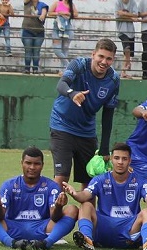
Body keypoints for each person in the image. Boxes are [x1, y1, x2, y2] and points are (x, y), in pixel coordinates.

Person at [62, 143, 147, 250]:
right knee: (86, 205)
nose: (120, 162)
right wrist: (74, 194)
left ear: (129, 161)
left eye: (124, 159)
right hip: (104, 229)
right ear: (111, 160)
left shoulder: (140, 180)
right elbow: (85, 195)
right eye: (116, 158)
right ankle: (87, 240)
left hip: (129, 231)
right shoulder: (100, 179)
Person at [0, 146, 75, 250]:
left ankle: (46, 243)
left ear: (42, 165)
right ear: (21, 163)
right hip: (12, 228)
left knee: (73, 209)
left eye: (36, 164)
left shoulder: (51, 186)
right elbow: (0, 217)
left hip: (42, 229)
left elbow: (54, 218)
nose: (32, 167)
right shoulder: (9, 185)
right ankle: (11, 242)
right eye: (28, 163)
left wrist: (58, 206)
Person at [50, 38, 120, 188]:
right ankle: (53, 211)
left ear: (113, 60)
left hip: (87, 132)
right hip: (62, 125)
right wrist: (72, 93)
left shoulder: (113, 79)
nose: (104, 62)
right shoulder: (79, 65)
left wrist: (104, 147)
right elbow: (61, 84)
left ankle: (87, 212)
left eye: (109, 59)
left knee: (90, 180)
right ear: (93, 54)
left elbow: (108, 114)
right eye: (101, 56)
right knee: (62, 177)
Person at [22, 0, 49, 75]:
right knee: (28, 50)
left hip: (39, 31)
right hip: (27, 30)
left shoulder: (42, 5)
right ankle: (27, 69)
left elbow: (44, 11)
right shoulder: (27, 3)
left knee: (36, 51)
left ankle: (35, 69)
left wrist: (43, 15)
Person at [49, 0, 77, 67]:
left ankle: (63, 69)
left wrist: (68, 14)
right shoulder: (57, 3)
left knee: (65, 49)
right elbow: (49, 13)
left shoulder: (71, 5)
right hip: (57, 27)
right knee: (57, 49)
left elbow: (76, 14)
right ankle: (68, 65)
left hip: (68, 27)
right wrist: (59, 13)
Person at [115, 0, 138, 78]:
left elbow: (136, 15)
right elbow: (117, 16)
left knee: (129, 52)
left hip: (131, 31)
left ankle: (125, 69)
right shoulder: (118, 2)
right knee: (127, 49)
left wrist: (123, 13)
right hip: (122, 30)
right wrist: (130, 17)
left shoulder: (132, 2)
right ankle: (125, 69)